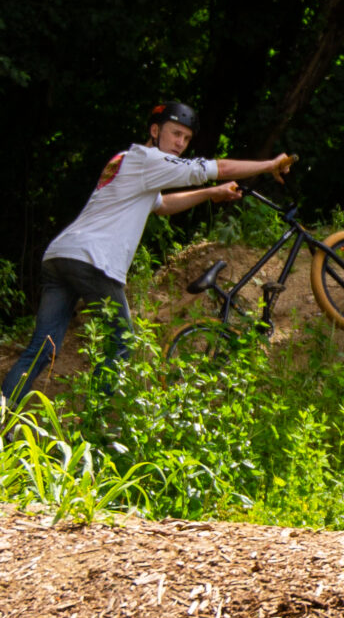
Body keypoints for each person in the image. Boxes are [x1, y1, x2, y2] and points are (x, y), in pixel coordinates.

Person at [1, 101, 290, 405]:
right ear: (155, 131)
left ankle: (3, 422)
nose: (180, 144)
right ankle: (94, 426)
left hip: (61, 256)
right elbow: (217, 168)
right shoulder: (148, 159)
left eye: (187, 139)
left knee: (41, 349)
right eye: (175, 134)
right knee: (123, 342)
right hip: (92, 260)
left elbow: (161, 206)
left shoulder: (129, 160)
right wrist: (269, 165)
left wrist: (210, 194)